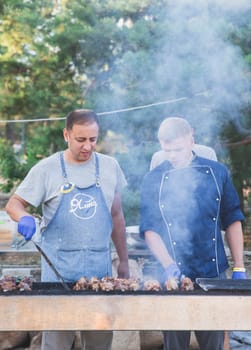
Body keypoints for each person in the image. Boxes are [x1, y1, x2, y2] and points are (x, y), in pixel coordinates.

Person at [6, 109, 129, 350]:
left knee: (99, 342)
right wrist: (24, 218)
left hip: (98, 275)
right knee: (56, 343)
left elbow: (117, 215)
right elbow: (14, 204)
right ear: (66, 134)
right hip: (58, 275)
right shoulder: (47, 169)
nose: (87, 146)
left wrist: (124, 260)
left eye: (92, 139)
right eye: (81, 139)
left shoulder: (110, 166)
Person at [139, 116, 246, 350]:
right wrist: (168, 265)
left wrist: (239, 267)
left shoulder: (217, 172)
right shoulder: (153, 179)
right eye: (167, 150)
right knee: (175, 345)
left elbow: (233, 220)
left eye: (177, 149)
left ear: (191, 139)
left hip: (213, 272)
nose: (172, 155)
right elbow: (150, 230)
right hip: (173, 276)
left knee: (214, 345)